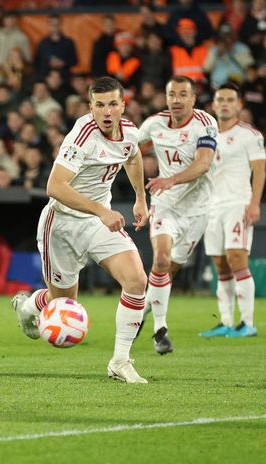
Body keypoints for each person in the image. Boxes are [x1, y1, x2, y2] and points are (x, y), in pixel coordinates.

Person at [12, 77, 150, 383]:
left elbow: (133, 155)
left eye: (112, 104)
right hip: (62, 225)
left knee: (136, 280)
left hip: (97, 223)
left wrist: (140, 197)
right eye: (99, 105)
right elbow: (54, 187)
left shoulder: (130, 132)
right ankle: (27, 306)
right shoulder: (82, 136)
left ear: (123, 105)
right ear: (90, 107)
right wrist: (102, 210)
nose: (107, 112)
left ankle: (120, 361)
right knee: (62, 302)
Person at [137, 75, 218, 354]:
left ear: (193, 99)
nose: (176, 100)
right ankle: (161, 332)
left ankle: (141, 312)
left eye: (183, 94)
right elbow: (127, 147)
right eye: (172, 94)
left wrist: (172, 179)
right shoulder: (154, 124)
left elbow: (203, 164)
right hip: (165, 204)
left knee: (167, 270)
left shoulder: (205, 124)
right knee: (160, 260)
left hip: (197, 211)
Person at [200, 83, 263, 338]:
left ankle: (247, 323)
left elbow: (260, 170)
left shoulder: (250, 135)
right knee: (220, 264)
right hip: (212, 207)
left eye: (230, 100)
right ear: (213, 105)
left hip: (238, 203)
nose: (224, 104)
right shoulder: (206, 135)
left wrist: (254, 203)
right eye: (221, 100)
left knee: (237, 257)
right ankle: (226, 321)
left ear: (239, 105)